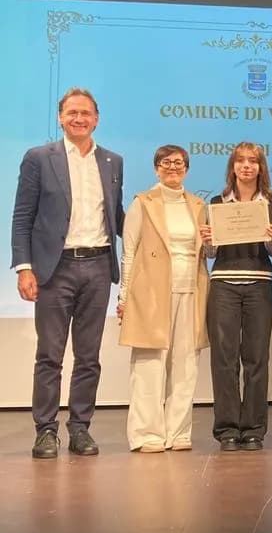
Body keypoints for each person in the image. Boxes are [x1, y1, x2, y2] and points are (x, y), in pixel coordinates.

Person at [11, 87, 124, 459]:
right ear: (60, 117)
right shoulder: (39, 158)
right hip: (54, 269)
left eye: (86, 113)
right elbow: (23, 216)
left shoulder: (112, 161)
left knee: (89, 356)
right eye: (72, 113)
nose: (79, 118)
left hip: (97, 265)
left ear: (97, 119)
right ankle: (45, 431)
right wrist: (24, 267)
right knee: (50, 355)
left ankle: (80, 429)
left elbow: (118, 217)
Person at [117, 145, 209, 453]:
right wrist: (124, 296)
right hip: (151, 293)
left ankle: (179, 432)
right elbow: (129, 253)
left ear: (187, 168)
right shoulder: (142, 203)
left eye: (179, 163)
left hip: (191, 290)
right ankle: (147, 434)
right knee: (149, 364)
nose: (173, 167)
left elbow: (206, 251)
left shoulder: (197, 205)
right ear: (156, 168)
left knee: (186, 366)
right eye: (166, 163)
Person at [200, 143, 272, 452]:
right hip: (224, 285)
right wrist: (208, 242)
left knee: (257, 359)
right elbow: (211, 253)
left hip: (259, 283)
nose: (247, 166)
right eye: (240, 161)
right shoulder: (217, 202)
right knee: (224, 359)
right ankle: (227, 428)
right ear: (232, 167)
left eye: (253, 161)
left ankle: (254, 429)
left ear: (261, 168)